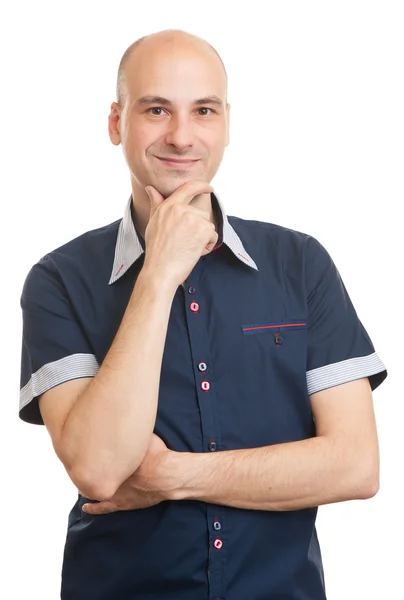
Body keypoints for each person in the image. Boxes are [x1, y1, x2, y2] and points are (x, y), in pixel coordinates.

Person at [19, 28, 387, 600]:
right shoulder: (58, 280)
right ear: (116, 122)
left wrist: (172, 477)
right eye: (157, 109)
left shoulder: (301, 264)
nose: (181, 136)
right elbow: (97, 468)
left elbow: (356, 465)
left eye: (204, 110)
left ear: (226, 124)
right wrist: (159, 270)